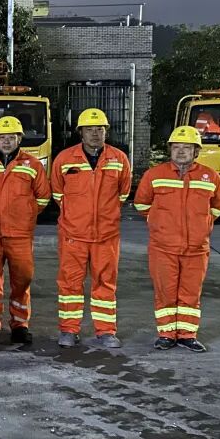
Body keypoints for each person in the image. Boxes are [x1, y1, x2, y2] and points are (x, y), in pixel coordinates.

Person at [134, 126, 220, 353]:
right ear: (170, 150)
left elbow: (218, 206)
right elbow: (141, 204)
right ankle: (166, 334)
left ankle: (187, 335)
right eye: (177, 147)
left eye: (187, 147)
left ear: (196, 152)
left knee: (190, 293)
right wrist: (160, 223)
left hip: (196, 248)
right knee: (165, 291)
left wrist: (201, 226)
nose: (181, 152)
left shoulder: (210, 176)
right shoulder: (154, 175)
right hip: (163, 247)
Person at [50, 108, 132, 349]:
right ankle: (68, 330)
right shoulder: (65, 159)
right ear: (80, 133)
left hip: (106, 235)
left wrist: (104, 217)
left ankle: (106, 331)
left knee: (105, 282)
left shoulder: (119, 159)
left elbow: (123, 193)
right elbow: (58, 193)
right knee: (69, 284)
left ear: (106, 131)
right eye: (89, 129)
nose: (95, 133)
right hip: (73, 235)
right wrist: (77, 217)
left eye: (100, 129)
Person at [0, 116, 51, 346]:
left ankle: (19, 325)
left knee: (22, 281)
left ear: (19, 139)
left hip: (20, 235)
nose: (6, 141)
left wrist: (25, 214)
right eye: (2, 137)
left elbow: (43, 197)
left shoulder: (33, 165)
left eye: (11, 137)